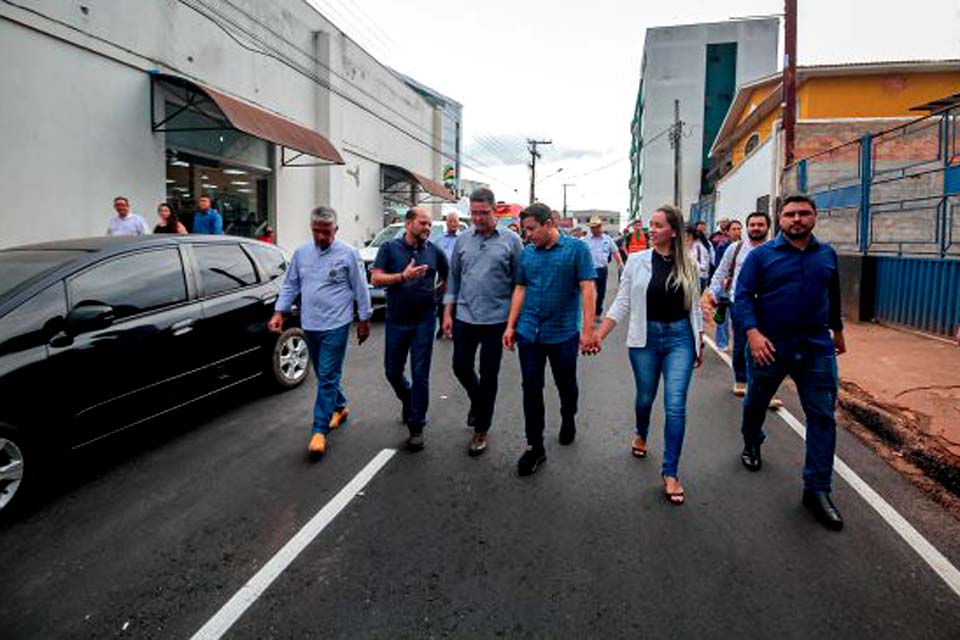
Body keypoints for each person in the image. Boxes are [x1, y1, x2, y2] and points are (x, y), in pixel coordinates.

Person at [735, 195, 847, 531]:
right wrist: (753, 334)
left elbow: (834, 295)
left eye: (803, 213)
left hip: (815, 347)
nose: (796, 219)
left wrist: (837, 331)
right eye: (790, 214)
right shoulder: (761, 257)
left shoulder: (827, 255)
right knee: (757, 399)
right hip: (770, 346)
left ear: (815, 216)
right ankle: (752, 439)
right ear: (779, 219)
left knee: (823, 416)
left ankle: (817, 490)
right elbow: (742, 297)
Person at [597, 205, 703, 504]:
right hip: (645, 339)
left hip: (680, 339)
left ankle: (671, 472)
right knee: (645, 397)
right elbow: (622, 302)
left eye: (657, 225)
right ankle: (641, 432)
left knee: (675, 406)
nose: (651, 230)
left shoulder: (690, 264)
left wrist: (699, 343)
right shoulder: (637, 260)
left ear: (673, 230)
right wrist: (599, 335)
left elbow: (694, 307)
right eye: (650, 225)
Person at [503, 203, 598, 476]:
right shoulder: (528, 254)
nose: (527, 235)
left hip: (564, 333)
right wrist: (511, 326)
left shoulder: (576, 250)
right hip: (530, 332)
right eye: (525, 230)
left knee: (566, 385)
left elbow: (587, 288)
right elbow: (521, 288)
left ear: (549, 224)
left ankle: (568, 416)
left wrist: (588, 331)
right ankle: (535, 447)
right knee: (530, 388)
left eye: (531, 229)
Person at [268, 206, 372, 456]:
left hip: (336, 324)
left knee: (326, 375)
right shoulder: (302, 253)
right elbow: (291, 284)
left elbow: (361, 288)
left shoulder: (348, 254)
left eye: (327, 232)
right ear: (311, 229)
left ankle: (319, 430)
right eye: (317, 232)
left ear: (336, 230)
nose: (322, 237)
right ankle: (340, 406)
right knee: (324, 373)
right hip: (310, 323)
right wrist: (279, 312)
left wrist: (364, 319)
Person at [443, 187, 523, 456]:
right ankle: (478, 402)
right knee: (460, 367)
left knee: (489, 375)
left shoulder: (511, 241)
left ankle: (481, 429)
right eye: (474, 213)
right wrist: (447, 313)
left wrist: (513, 323)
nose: (477, 218)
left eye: (483, 213)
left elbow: (519, 284)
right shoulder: (463, 240)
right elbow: (453, 278)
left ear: (494, 212)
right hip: (465, 316)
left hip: (497, 320)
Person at [371, 207, 449, 451]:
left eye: (429, 225)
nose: (427, 228)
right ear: (408, 224)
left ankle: (417, 427)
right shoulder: (389, 249)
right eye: (423, 223)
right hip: (396, 320)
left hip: (424, 321)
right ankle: (408, 399)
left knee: (420, 374)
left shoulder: (434, 251)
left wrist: (436, 297)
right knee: (392, 371)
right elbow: (376, 278)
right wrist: (402, 277)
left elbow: (447, 278)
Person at [707, 211, 779, 406]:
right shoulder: (735, 249)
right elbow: (721, 271)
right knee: (741, 344)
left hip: (768, 305)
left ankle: (766, 390)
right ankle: (741, 379)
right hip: (739, 302)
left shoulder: (777, 249)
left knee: (769, 346)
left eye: (760, 225)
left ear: (768, 227)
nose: (755, 228)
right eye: (752, 224)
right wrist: (713, 292)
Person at [585, 216, 623, 318]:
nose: (593, 230)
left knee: (601, 293)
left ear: (600, 227)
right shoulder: (586, 240)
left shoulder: (607, 239)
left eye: (595, 227)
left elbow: (615, 252)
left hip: (602, 269)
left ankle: (597, 312)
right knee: (590, 293)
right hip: (590, 269)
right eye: (591, 227)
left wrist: (620, 264)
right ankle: (590, 314)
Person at [434, 212, 460, 338]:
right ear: (447, 223)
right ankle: (441, 326)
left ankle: (453, 327)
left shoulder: (462, 239)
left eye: (455, 221)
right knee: (441, 301)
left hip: (456, 275)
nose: (453, 224)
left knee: (454, 301)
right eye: (451, 221)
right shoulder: (439, 240)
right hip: (442, 275)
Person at [686, 225, 711, 292]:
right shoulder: (686, 247)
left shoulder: (699, 248)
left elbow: (703, 266)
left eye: (688, 236)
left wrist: (691, 265)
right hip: (689, 277)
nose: (686, 238)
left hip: (699, 277)